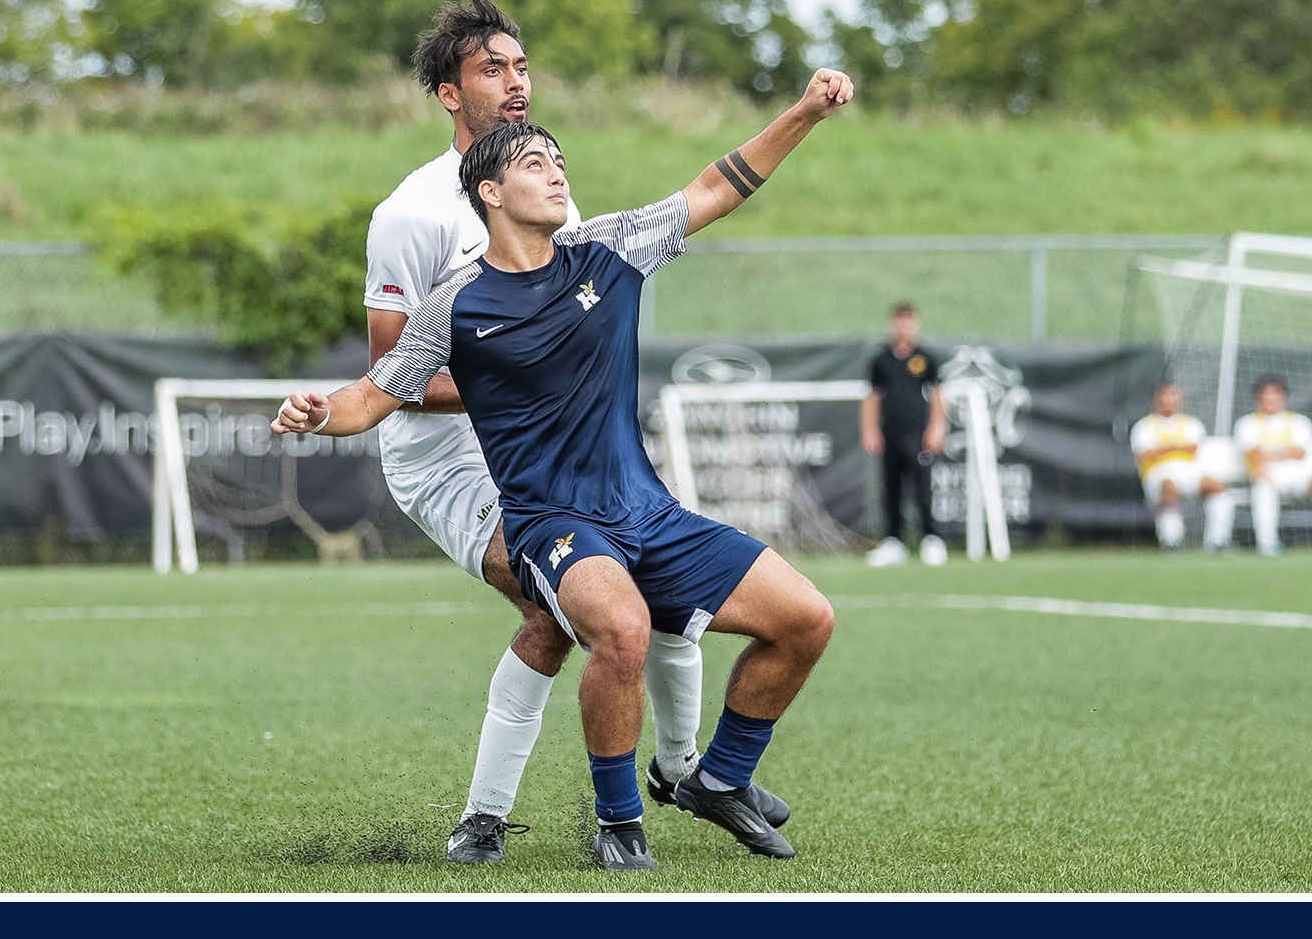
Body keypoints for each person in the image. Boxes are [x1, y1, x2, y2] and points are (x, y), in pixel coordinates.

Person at [273, 69, 854, 870]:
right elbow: (375, 396)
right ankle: (619, 827)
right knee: (621, 630)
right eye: (536, 164)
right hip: (554, 523)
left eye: (560, 161)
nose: (557, 173)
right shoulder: (456, 303)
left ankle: (718, 778)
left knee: (807, 619)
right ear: (491, 192)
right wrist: (318, 413)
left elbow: (720, 186)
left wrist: (805, 112)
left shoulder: (607, 248)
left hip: (647, 510)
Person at [367, 0, 744, 864]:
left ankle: (676, 771)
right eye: (491, 68)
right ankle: (500, 815)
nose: (516, 81)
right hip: (446, 460)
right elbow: (391, 374)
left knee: (621, 590)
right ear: (449, 95)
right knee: (563, 608)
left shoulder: (548, 192)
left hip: (545, 453)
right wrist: (512, 388)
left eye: (522, 64)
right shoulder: (411, 214)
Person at [860, 303, 949, 566]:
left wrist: (936, 428)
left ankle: (931, 539)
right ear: (892, 323)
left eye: (908, 320)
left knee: (922, 487)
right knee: (891, 488)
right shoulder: (881, 359)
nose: (903, 326)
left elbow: (937, 395)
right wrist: (869, 430)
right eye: (899, 321)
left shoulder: (925, 358)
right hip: (890, 435)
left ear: (915, 323)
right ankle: (893, 541)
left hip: (917, 435)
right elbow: (872, 397)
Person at [1231, 375, 1312, 556]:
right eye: (1266, 394)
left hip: (1299, 477)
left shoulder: (1299, 421)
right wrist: (1284, 452)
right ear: (1258, 397)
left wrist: (1270, 453)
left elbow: (1299, 453)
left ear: (1283, 396)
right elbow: (1256, 455)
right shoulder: (1246, 424)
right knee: (1262, 485)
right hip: (1268, 477)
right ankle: (1267, 545)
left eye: (1275, 393)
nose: (1270, 398)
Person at [1129, 383, 1236, 552]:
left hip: (1188, 472)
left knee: (1217, 487)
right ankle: (1171, 540)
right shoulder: (1144, 426)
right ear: (1156, 400)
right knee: (1169, 486)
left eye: (1173, 397)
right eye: (1165, 397)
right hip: (1158, 474)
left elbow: (1193, 448)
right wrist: (1178, 447)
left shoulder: (1191, 423)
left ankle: (1218, 541)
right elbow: (1148, 454)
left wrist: (1164, 448)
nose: (1169, 402)